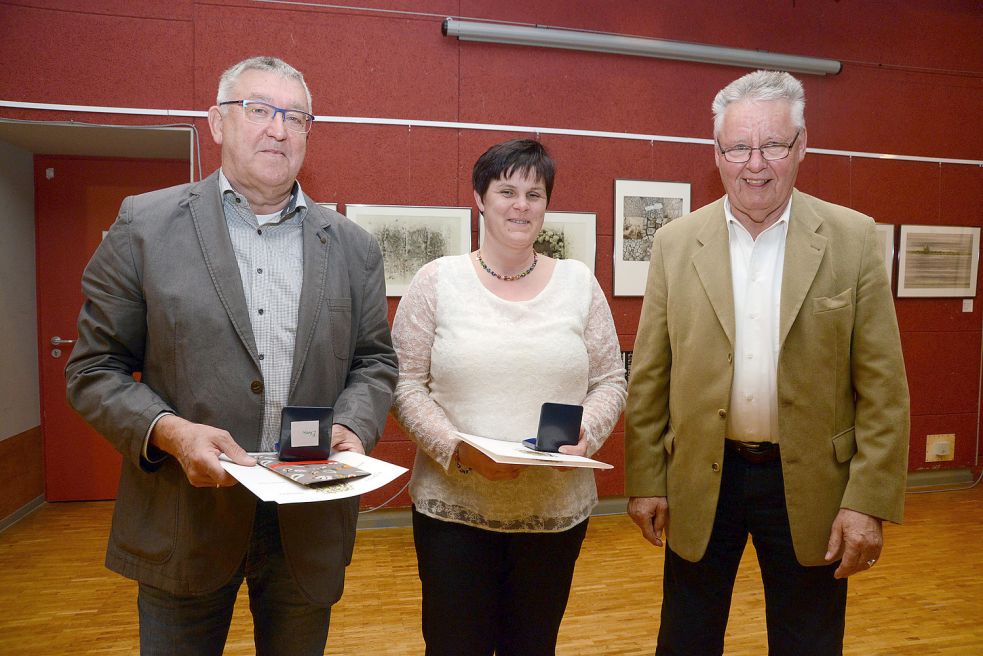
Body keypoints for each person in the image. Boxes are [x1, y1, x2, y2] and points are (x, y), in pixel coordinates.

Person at [65, 56, 397, 656]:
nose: (279, 128)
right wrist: (168, 431)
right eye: (259, 110)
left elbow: (374, 362)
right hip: (186, 516)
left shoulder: (353, 247)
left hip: (307, 520)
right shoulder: (145, 225)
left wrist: (352, 424)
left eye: (295, 116)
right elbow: (94, 369)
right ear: (217, 123)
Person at [625, 70, 910, 655]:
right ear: (717, 153)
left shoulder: (852, 239)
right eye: (738, 148)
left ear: (801, 146)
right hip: (703, 478)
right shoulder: (677, 244)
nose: (755, 163)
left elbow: (884, 389)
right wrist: (646, 479)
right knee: (686, 638)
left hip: (810, 485)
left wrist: (867, 502)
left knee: (809, 641)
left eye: (773, 145)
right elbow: (651, 374)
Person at [392, 138, 627, 656]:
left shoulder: (579, 284)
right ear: (479, 198)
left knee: (533, 645)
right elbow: (405, 384)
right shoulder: (436, 281)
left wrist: (586, 434)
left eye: (535, 194)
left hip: (554, 512)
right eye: (506, 191)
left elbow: (610, 379)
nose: (521, 206)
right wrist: (456, 447)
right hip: (454, 511)